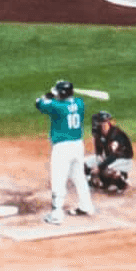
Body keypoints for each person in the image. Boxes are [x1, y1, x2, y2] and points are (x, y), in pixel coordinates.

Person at [34, 79, 93, 224]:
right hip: (78, 145)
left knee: (58, 180)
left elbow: (39, 103)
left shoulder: (56, 106)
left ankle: (56, 214)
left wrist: (49, 94)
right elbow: (63, 101)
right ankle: (86, 206)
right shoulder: (80, 103)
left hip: (62, 148)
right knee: (79, 177)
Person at [86, 111, 134, 194]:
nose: (96, 125)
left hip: (123, 160)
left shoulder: (116, 134)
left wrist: (99, 167)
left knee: (106, 171)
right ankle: (100, 180)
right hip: (111, 159)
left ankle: (122, 181)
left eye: (103, 123)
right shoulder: (99, 133)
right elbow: (99, 152)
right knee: (86, 165)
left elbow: (114, 156)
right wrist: (98, 161)